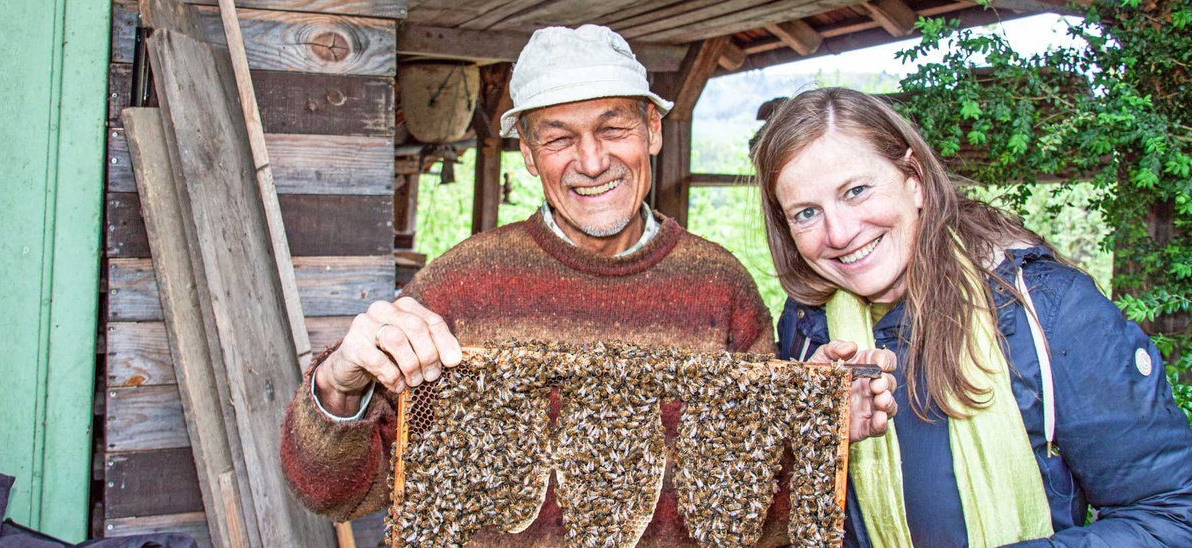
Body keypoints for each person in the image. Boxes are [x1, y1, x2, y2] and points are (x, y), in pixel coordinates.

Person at [280, 27, 897, 547]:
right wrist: (338, 384)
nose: (592, 161)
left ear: (651, 130)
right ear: (527, 152)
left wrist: (806, 418)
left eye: (613, 128)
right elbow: (334, 492)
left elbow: (756, 508)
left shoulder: (720, 288)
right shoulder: (461, 286)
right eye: (557, 137)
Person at [753, 86, 1192, 548]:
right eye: (806, 213)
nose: (839, 234)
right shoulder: (808, 325)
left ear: (915, 178)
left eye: (857, 191)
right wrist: (808, 431)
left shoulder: (1048, 310)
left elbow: (1173, 515)